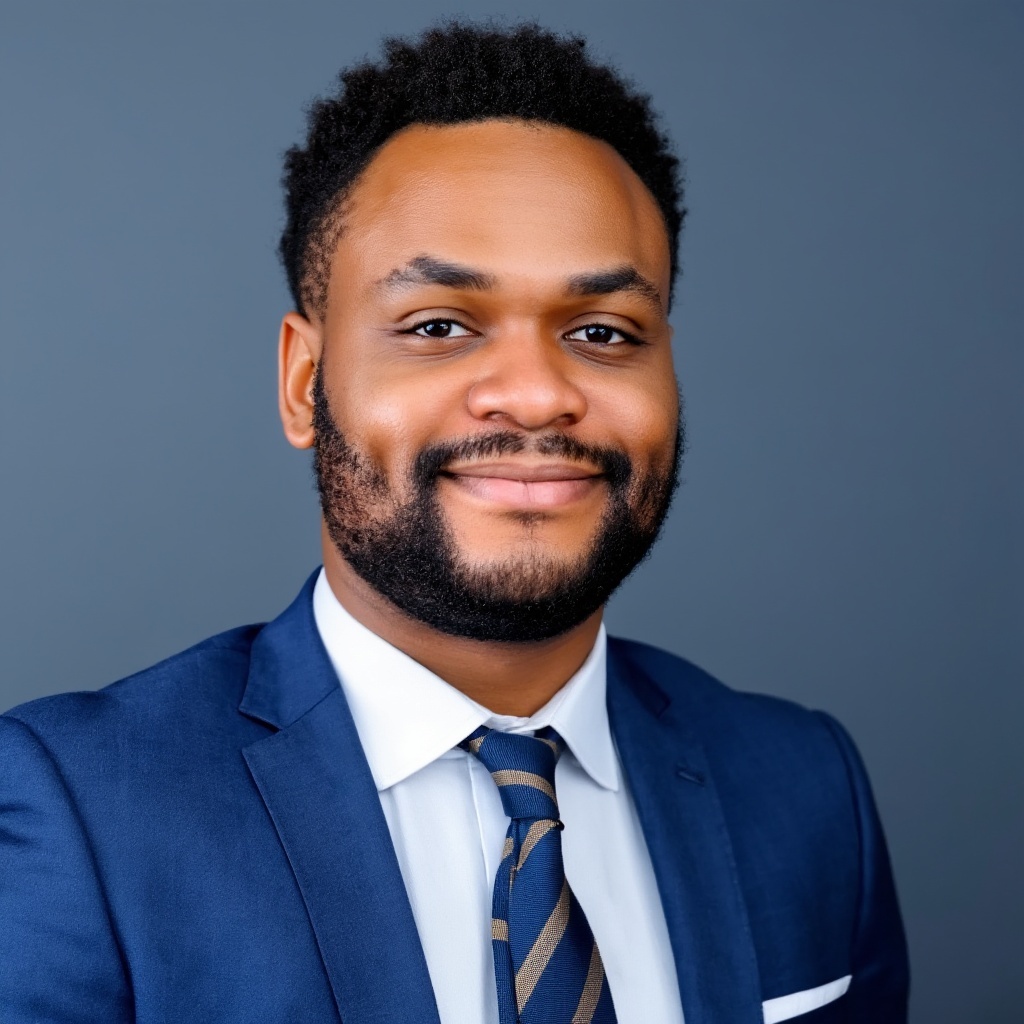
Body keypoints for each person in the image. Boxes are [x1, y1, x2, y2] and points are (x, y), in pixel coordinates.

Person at [0, 22, 909, 1024]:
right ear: (305, 383)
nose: (532, 395)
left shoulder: (806, 786)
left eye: (602, 332)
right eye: (439, 326)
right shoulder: (75, 810)